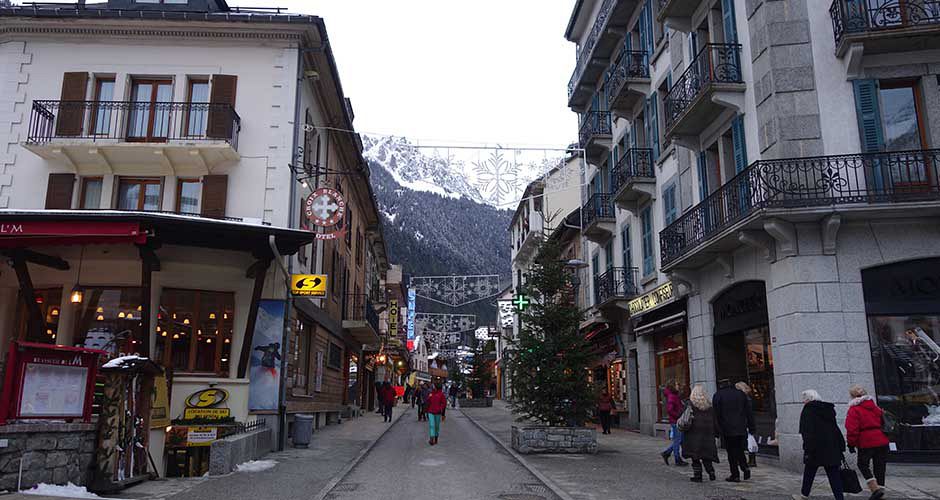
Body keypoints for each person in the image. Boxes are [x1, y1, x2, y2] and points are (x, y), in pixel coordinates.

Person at [794, 389, 846, 500]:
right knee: (834, 474)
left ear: (808, 399)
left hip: (815, 448)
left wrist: (807, 448)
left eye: (804, 399)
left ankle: (804, 495)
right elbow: (835, 429)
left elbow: (807, 432)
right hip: (831, 446)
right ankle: (839, 498)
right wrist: (841, 446)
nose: (803, 402)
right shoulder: (828, 409)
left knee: (809, 472)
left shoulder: (808, 411)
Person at [845, 385, 889, 500]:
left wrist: (851, 444)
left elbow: (852, 429)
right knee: (880, 466)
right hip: (881, 439)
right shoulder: (875, 407)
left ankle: (875, 489)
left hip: (866, 441)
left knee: (862, 464)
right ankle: (881, 492)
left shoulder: (854, 409)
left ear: (852, 396)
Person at [713, 379, 754, 482]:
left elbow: (716, 415)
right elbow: (749, 412)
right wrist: (752, 426)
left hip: (727, 429)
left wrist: (717, 430)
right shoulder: (740, 394)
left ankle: (735, 474)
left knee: (731, 452)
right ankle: (745, 467)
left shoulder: (718, 395)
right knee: (740, 450)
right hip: (741, 427)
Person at [682, 384, 719, 483]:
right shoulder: (709, 406)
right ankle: (711, 472)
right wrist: (716, 433)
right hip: (707, 433)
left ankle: (698, 476)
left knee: (695, 456)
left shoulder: (690, 405)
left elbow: (684, 418)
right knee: (706, 455)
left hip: (693, 434)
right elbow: (715, 421)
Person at [660, 381, 688, 466]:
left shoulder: (674, 395)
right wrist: (678, 415)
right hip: (676, 421)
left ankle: (667, 453)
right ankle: (677, 459)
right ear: (672, 386)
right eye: (676, 384)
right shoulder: (672, 396)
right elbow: (670, 410)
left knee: (679, 440)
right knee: (678, 440)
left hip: (676, 420)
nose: (678, 386)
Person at [735, 381, 758, 468]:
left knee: (749, 441)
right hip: (746, 422)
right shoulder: (746, 398)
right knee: (748, 441)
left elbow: (749, 414)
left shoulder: (745, 399)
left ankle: (750, 460)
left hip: (745, 423)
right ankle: (749, 459)